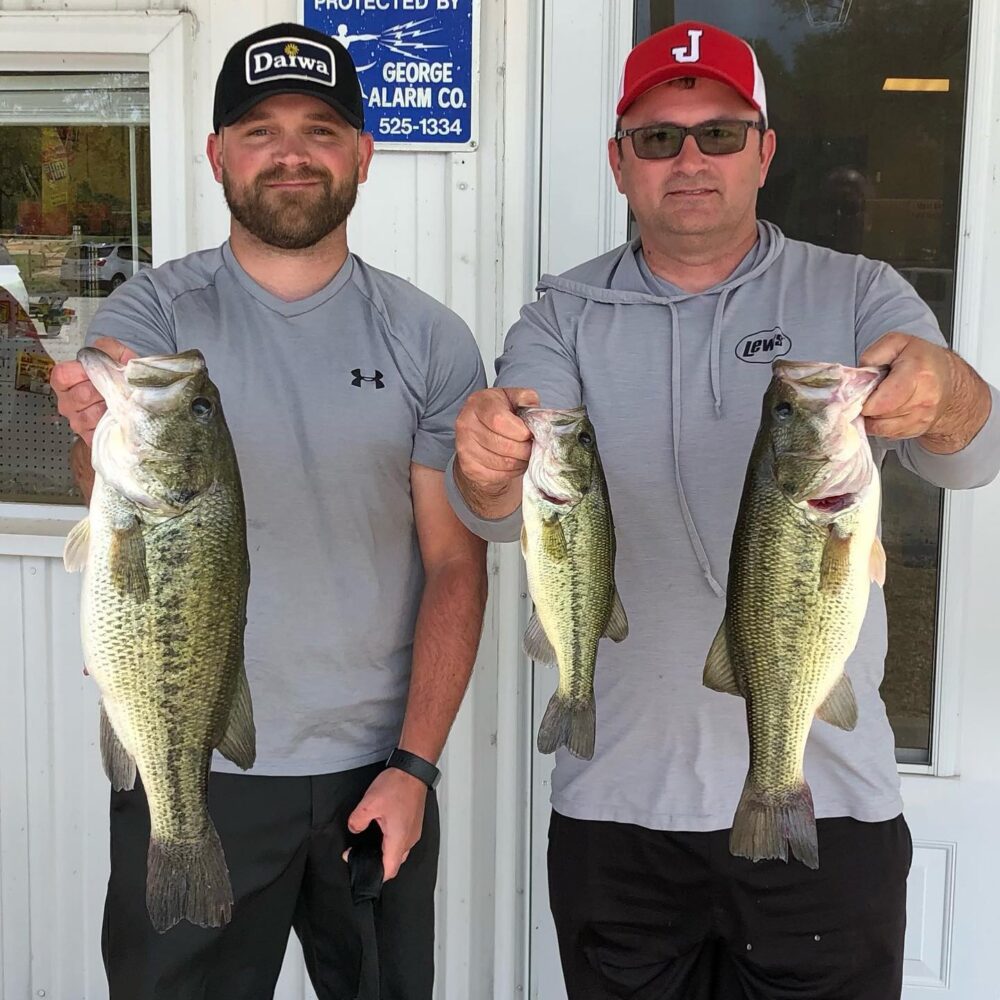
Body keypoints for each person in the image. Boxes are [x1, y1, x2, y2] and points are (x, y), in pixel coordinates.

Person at [448, 20, 999, 1000]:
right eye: (659, 137)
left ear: (765, 151)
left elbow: (971, 460)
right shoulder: (559, 317)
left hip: (828, 803)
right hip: (616, 803)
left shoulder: (859, 291)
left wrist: (948, 392)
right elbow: (502, 515)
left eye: (720, 132)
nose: (690, 159)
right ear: (620, 162)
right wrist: (488, 464)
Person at [50, 22, 487, 1000]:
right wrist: (90, 425)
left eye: (321, 128)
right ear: (217, 155)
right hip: (192, 754)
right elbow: (111, 484)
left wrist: (414, 765)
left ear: (362, 153)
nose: (290, 151)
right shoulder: (154, 314)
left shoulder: (429, 338)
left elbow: (456, 563)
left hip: (373, 775)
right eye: (259, 129)